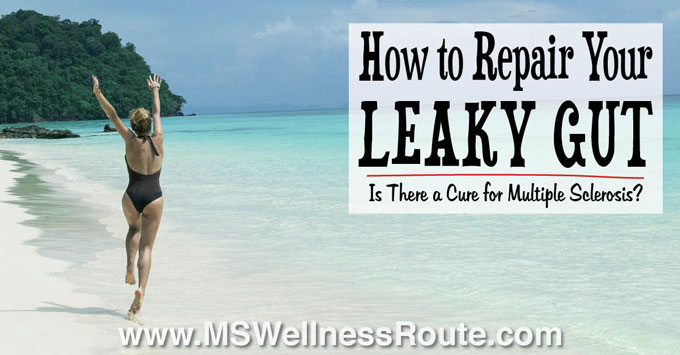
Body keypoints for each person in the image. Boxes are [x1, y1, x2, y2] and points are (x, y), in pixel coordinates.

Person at [92, 74, 164, 319]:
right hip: (154, 196)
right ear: (148, 126)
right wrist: (155, 90)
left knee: (134, 229)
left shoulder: (129, 140)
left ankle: (128, 266)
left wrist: (98, 94)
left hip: (132, 195)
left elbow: (112, 116)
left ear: (133, 126)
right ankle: (141, 289)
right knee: (148, 247)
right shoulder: (158, 139)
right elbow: (157, 115)